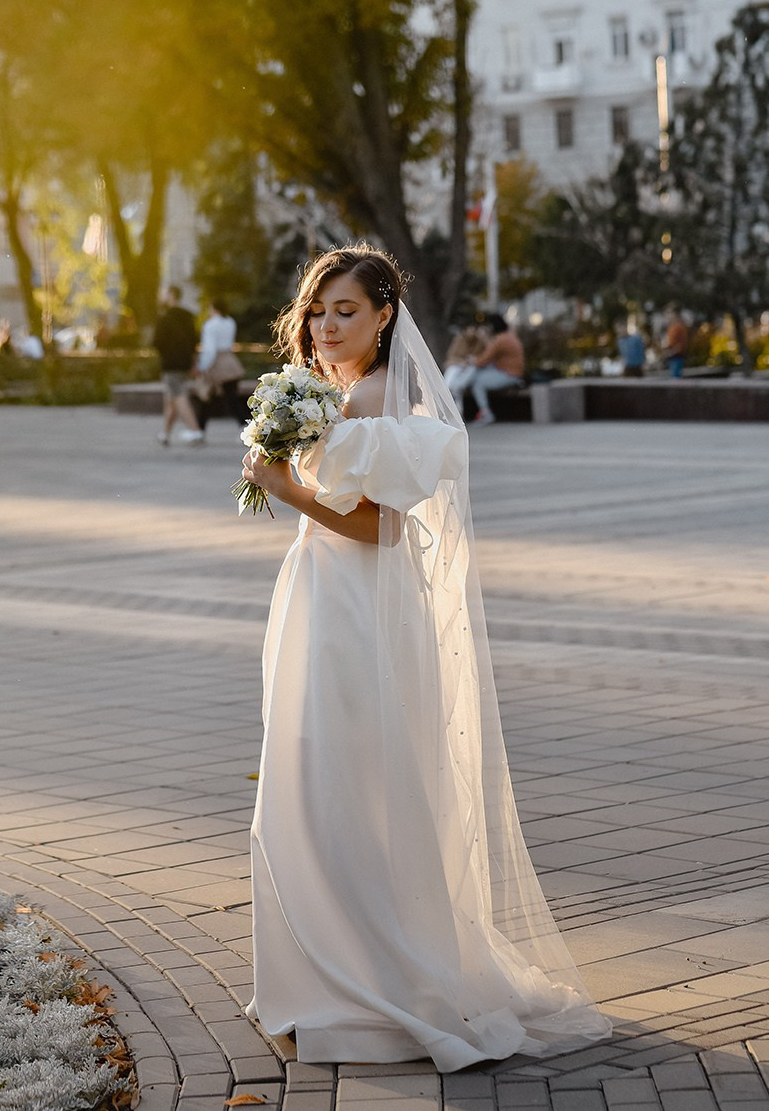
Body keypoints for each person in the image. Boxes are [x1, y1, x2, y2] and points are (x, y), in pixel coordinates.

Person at [240, 244, 610, 1070]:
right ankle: (334, 968)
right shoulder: (331, 393)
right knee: (318, 781)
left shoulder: (374, 399)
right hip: (325, 598)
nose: (327, 325)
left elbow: (383, 528)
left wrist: (287, 487)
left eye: (346, 310)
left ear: (383, 318)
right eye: (317, 311)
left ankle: (368, 978)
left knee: (342, 784)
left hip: (358, 610)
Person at [151, 286, 204, 446]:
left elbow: (157, 342)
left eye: (165, 293)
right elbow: (195, 341)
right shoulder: (188, 317)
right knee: (171, 400)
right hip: (185, 363)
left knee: (179, 396)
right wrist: (193, 362)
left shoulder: (164, 318)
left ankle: (195, 431)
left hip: (170, 364)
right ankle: (165, 434)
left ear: (172, 295)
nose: (162, 297)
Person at [188, 298, 246, 433]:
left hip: (215, 363)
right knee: (231, 397)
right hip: (229, 361)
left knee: (206, 396)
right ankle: (242, 425)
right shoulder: (230, 322)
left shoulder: (210, 325)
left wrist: (202, 366)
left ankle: (199, 429)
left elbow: (210, 349)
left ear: (213, 308)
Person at [470, 313, 525, 424]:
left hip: (509, 374)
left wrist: (470, 360)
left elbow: (483, 359)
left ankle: (486, 413)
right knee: (480, 376)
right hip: (513, 372)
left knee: (477, 382)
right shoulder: (509, 336)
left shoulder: (500, 340)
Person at [443, 319, 488, 419]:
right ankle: (449, 391)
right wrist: (461, 362)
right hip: (458, 365)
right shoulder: (459, 340)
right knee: (452, 371)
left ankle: (452, 392)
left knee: (471, 369)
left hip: (473, 367)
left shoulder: (479, 341)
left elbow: (482, 357)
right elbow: (451, 357)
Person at [663, 308, 688, 378]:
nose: (668, 317)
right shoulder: (671, 328)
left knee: (676, 378)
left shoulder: (679, 328)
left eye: (669, 314)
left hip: (676, 356)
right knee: (673, 376)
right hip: (672, 356)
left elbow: (681, 344)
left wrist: (672, 351)